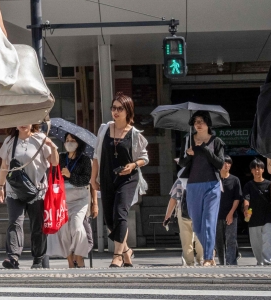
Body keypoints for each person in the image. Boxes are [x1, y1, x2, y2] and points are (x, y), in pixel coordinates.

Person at [92, 93, 149, 268]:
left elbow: (144, 158)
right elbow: (96, 156)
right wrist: (93, 179)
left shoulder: (135, 134)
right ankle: (126, 251)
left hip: (128, 179)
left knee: (120, 213)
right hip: (108, 177)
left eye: (120, 108)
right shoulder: (104, 129)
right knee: (110, 220)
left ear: (128, 110)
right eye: (113, 108)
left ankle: (117, 255)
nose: (115, 112)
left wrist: (132, 165)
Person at [0, 124, 59, 269]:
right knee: (14, 223)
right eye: (20, 120)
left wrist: (54, 147)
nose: (23, 123)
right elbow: (4, 166)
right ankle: (13, 257)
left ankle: (38, 259)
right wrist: (0, 187)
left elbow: (54, 162)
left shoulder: (40, 139)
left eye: (27, 120)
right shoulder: (9, 141)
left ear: (33, 123)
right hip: (15, 190)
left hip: (36, 191)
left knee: (38, 226)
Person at [176, 110, 225, 267]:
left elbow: (220, 164)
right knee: (196, 224)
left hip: (212, 185)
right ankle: (211, 249)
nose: (198, 124)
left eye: (201, 121)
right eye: (196, 121)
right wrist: (189, 154)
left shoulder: (216, 141)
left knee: (209, 221)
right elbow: (182, 163)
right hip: (193, 185)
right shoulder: (188, 139)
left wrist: (205, 150)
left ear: (208, 123)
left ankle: (208, 257)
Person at [49, 133, 95, 268]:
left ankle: (79, 256)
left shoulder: (85, 160)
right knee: (63, 230)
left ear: (79, 143)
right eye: (67, 140)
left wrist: (71, 175)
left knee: (77, 227)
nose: (69, 142)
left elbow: (86, 180)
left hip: (80, 199)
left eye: (73, 140)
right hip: (62, 198)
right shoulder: (61, 158)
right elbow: (53, 172)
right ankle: (70, 260)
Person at [163, 176, 204, 267]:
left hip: (183, 213)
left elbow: (173, 199)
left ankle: (189, 262)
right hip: (199, 212)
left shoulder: (180, 181)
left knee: (186, 239)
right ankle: (201, 259)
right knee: (200, 237)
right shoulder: (202, 179)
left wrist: (167, 216)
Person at [243, 159, 271, 266]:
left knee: (267, 241)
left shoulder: (269, 184)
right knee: (256, 244)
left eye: (259, 168)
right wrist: (246, 209)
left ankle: (268, 262)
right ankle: (260, 262)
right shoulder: (248, 185)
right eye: (255, 169)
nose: (257, 171)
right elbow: (246, 199)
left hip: (268, 217)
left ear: (263, 170)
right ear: (251, 171)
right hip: (254, 218)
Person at [215, 156, 242, 266]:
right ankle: (222, 264)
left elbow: (237, 198)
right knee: (219, 242)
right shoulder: (215, 179)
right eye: (225, 163)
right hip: (216, 216)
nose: (227, 165)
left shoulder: (235, 180)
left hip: (231, 215)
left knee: (231, 240)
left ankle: (231, 263)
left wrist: (231, 213)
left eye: (229, 163)